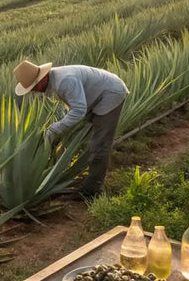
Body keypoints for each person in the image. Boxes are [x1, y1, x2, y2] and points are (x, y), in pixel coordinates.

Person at [13, 60, 128, 198]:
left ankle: (91, 191)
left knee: (100, 143)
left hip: (110, 94)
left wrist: (54, 129)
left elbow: (79, 110)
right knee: (81, 136)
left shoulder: (65, 81)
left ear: (42, 78)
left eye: (34, 86)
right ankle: (82, 174)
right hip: (94, 96)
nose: (33, 90)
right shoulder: (54, 80)